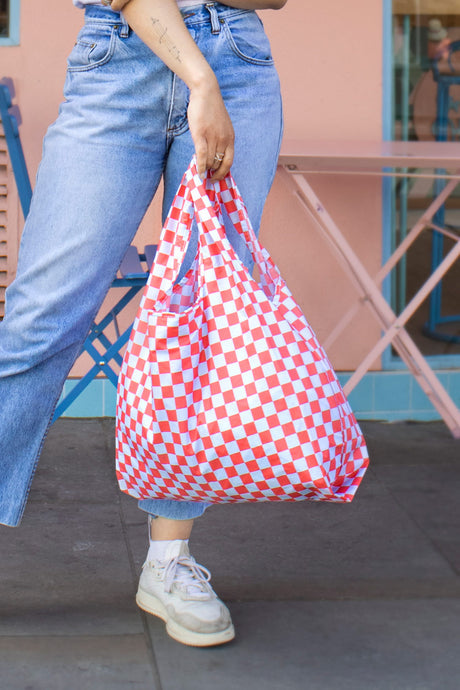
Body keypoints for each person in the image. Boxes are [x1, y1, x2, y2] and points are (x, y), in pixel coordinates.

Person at [0, 0, 287, 646]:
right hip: (121, 62)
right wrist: (198, 80)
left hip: (238, 59)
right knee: (41, 316)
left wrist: (212, 72)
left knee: (202, 318)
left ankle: (169, 561)